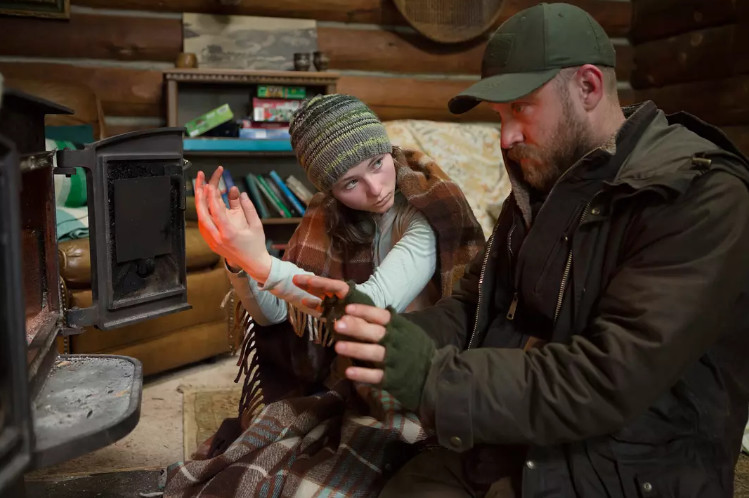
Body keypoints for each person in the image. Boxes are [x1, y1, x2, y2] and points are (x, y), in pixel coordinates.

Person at [292, 3, 749, 497]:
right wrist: (383, 332)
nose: (505, 137)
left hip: (633, 464)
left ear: (589, 87)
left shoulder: (702, 196)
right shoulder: (542, 180)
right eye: (499, 115)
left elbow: (608, 377)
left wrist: (433, 377)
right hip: (514, 432)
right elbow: (475, 307)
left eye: (521, 108)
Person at [163, 94, 485, 496]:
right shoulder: (326, 217)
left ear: (388, 151)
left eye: (377, 164)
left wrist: (262, 262)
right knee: (259, 459)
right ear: (331, 189)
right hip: (355, 367)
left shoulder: (426, 214)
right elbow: (272, 316)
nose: (376, 188)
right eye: (350, 182)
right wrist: (238, 261)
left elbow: (369, 305)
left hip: (423, 369)